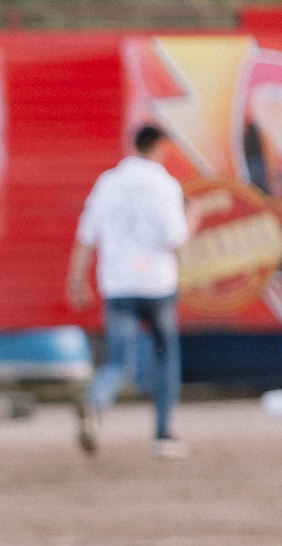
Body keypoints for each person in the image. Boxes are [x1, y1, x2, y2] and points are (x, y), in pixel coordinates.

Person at [66, 125, 217, 459]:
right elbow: (175, 239)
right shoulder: (165, 186)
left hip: (118, 283)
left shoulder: (108, 183)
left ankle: (95, 403)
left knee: (117, 361)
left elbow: (86, 234)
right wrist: (193, 217)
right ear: (159, 147)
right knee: (166, 358)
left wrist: (76, 280)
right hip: (157, 284)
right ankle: (163, 435)